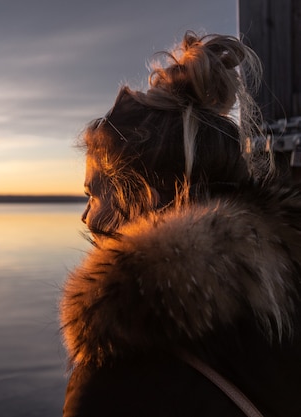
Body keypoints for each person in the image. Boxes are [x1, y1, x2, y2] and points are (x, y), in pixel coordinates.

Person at [60, 31, 301, 417]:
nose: (86, 216)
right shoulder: (283, 305)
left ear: (146, 197)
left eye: (94, 195)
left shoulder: (118, 378)